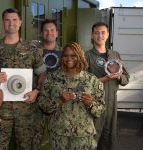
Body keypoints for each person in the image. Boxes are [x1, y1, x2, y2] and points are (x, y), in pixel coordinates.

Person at [0, 8, 46, 150]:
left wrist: (36, 91)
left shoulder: (32, 49)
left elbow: (42, 73)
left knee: (27, 146)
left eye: (15, 19)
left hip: (26, 109)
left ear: (20, 22)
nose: (11, 23)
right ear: (3, 23)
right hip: (0, 109)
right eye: (7, 20)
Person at [38, 42, 105, 149]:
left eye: (73, 55)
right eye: (65, 55)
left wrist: (91, 104)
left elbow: (100, 110)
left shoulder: (92, 80)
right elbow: (42, 105)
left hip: (83, 136)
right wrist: (59, 100)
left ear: (80, 56)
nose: (69, 59)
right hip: (58, 135)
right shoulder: (51, 79)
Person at [85, 22, 130, 150]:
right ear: (92, 35)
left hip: (111, 104)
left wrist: (119, 76)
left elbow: (126, 79)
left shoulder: (115, 55)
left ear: (108, 35)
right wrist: (105, 78)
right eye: (96, 33)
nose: (100, 35)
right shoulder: (86, 56)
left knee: (109, 138)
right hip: (93, 104)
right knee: (92, 138)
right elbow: (83, 84)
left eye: (103, 32)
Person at [33, 19, 63, 149]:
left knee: (57, 139)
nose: (49, 33)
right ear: (41, 33)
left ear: (57, 33)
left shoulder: (65, 54)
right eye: (46, 30)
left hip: (58, 101)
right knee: (35, 138)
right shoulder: (33, 52)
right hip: (36, 101)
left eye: (52, 30)